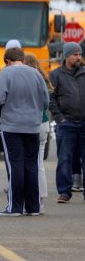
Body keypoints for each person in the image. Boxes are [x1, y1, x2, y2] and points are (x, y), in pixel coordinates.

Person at [0, 47, 49, 216]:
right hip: (32, 125)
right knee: (32, 165)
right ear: (22, 59)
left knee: (15, 164)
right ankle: (33, 207)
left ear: (7, 61)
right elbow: (45, 100)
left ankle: (15, 207)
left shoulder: (6, 73)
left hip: (11, 126)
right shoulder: (36, 73)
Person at [49, 42, 85, 203]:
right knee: (64, 158)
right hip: (67, 123)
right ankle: (64, 191)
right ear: (66, 56)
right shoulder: (56, 75)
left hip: (84, 123)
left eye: (80, 54)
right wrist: (60, 118)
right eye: (75, 54)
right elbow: (51, 98)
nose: (79, 57)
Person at [23, 53, 50, 211]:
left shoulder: (29, 80)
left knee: (32, 164)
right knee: (39, 164)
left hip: (31, 123)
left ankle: (34, 198)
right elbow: (46, 101)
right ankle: (40, 200)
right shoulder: (42, 79)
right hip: (43, 122)